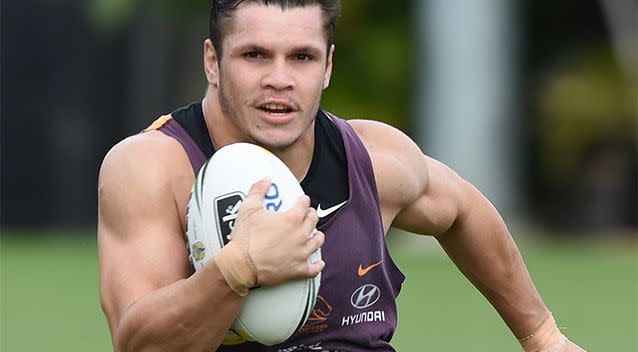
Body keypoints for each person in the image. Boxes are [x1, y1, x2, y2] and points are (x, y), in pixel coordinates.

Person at [97, 1, 587, 351]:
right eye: (255, 55)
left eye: (302, 57)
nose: (279, 78)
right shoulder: (152, 169)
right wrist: (239, 268)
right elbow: (139, 345)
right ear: (212, 61)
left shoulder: (371, 159)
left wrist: (542, 337)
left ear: (327, 66)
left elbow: (461, 210)